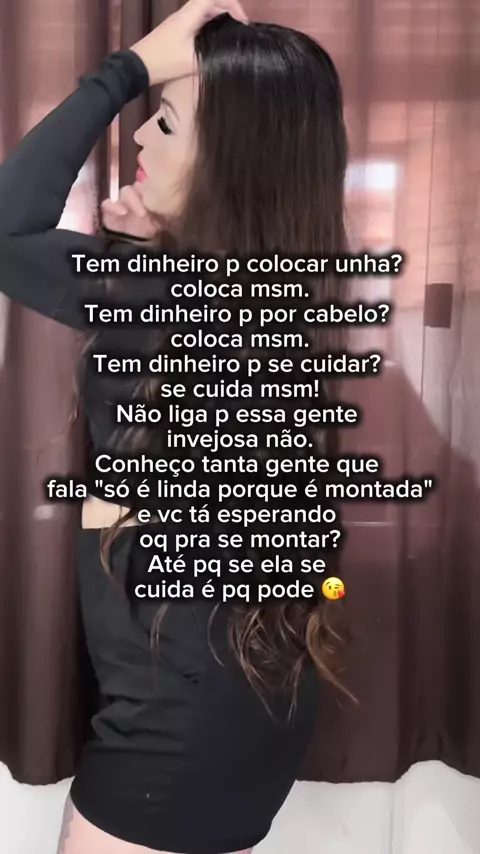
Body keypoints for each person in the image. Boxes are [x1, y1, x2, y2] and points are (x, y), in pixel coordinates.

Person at [0, 1, 351, 852]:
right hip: (255, 701)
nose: (139, 137)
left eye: (164, 122)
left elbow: (7, 230)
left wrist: (126, 68)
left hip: (174, 728)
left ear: (230, 161)